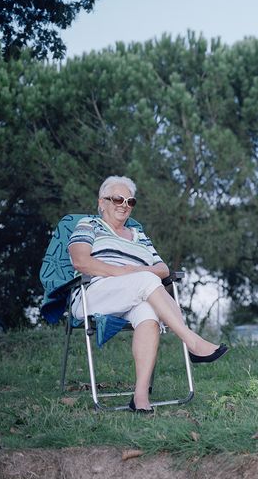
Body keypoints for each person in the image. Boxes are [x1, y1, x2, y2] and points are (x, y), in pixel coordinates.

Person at [68, 175, 228, 413]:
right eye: (118, 199)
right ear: (102, 202)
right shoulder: (89, 225)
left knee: (148, 314)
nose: (124, 205)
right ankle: (192, 341)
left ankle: (140, 396)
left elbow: (162, 269)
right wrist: (123, 272)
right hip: (94, 293)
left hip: (134, 293)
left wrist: (137, 271)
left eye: (130, 201)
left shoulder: (138, 236)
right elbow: (80, 261)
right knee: (146, 280)